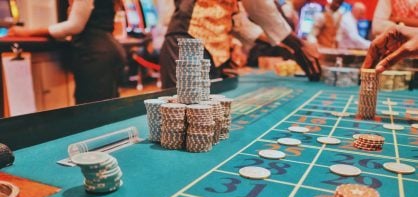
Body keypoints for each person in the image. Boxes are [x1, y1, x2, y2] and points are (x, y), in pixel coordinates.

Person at [160, 0, 321, 89]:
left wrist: (284, 48)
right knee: (181, 114)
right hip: (186, 41)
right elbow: (259, 6)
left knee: (202, 118)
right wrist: (298, 44)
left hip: (213, 53)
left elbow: (239, 23)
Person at [7, 0, 126, 105]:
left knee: (92, 113)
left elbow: (75, 26)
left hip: (95, 55)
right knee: (107, 110)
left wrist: (28, 32)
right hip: (106, 51)